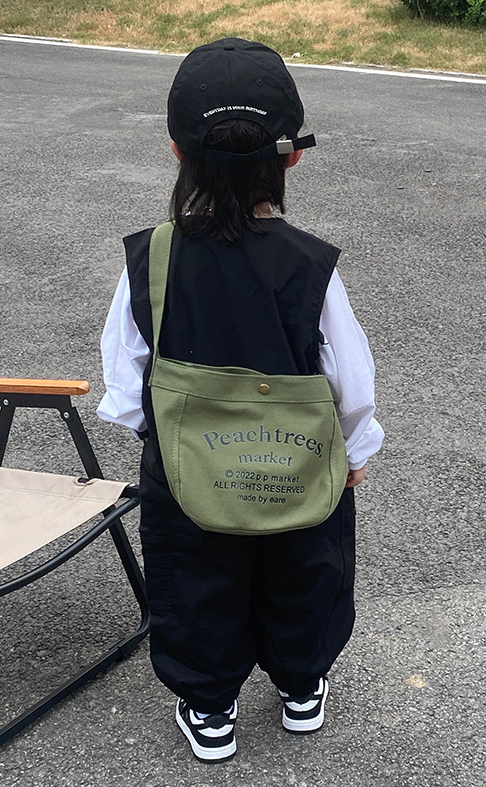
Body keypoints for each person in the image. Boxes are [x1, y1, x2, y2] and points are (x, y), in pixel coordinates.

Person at [97, 37, 384, 763]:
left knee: (197, 579)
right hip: (299, 459)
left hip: (186, 466)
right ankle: (301, 687)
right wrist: (356, 449)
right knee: (303, 567)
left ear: (175, 149)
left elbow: (127, 374)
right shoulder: (311, 265)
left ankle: (209, 706)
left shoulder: (151, 258)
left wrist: (158, 436)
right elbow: (351, 380)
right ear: (291, 159)